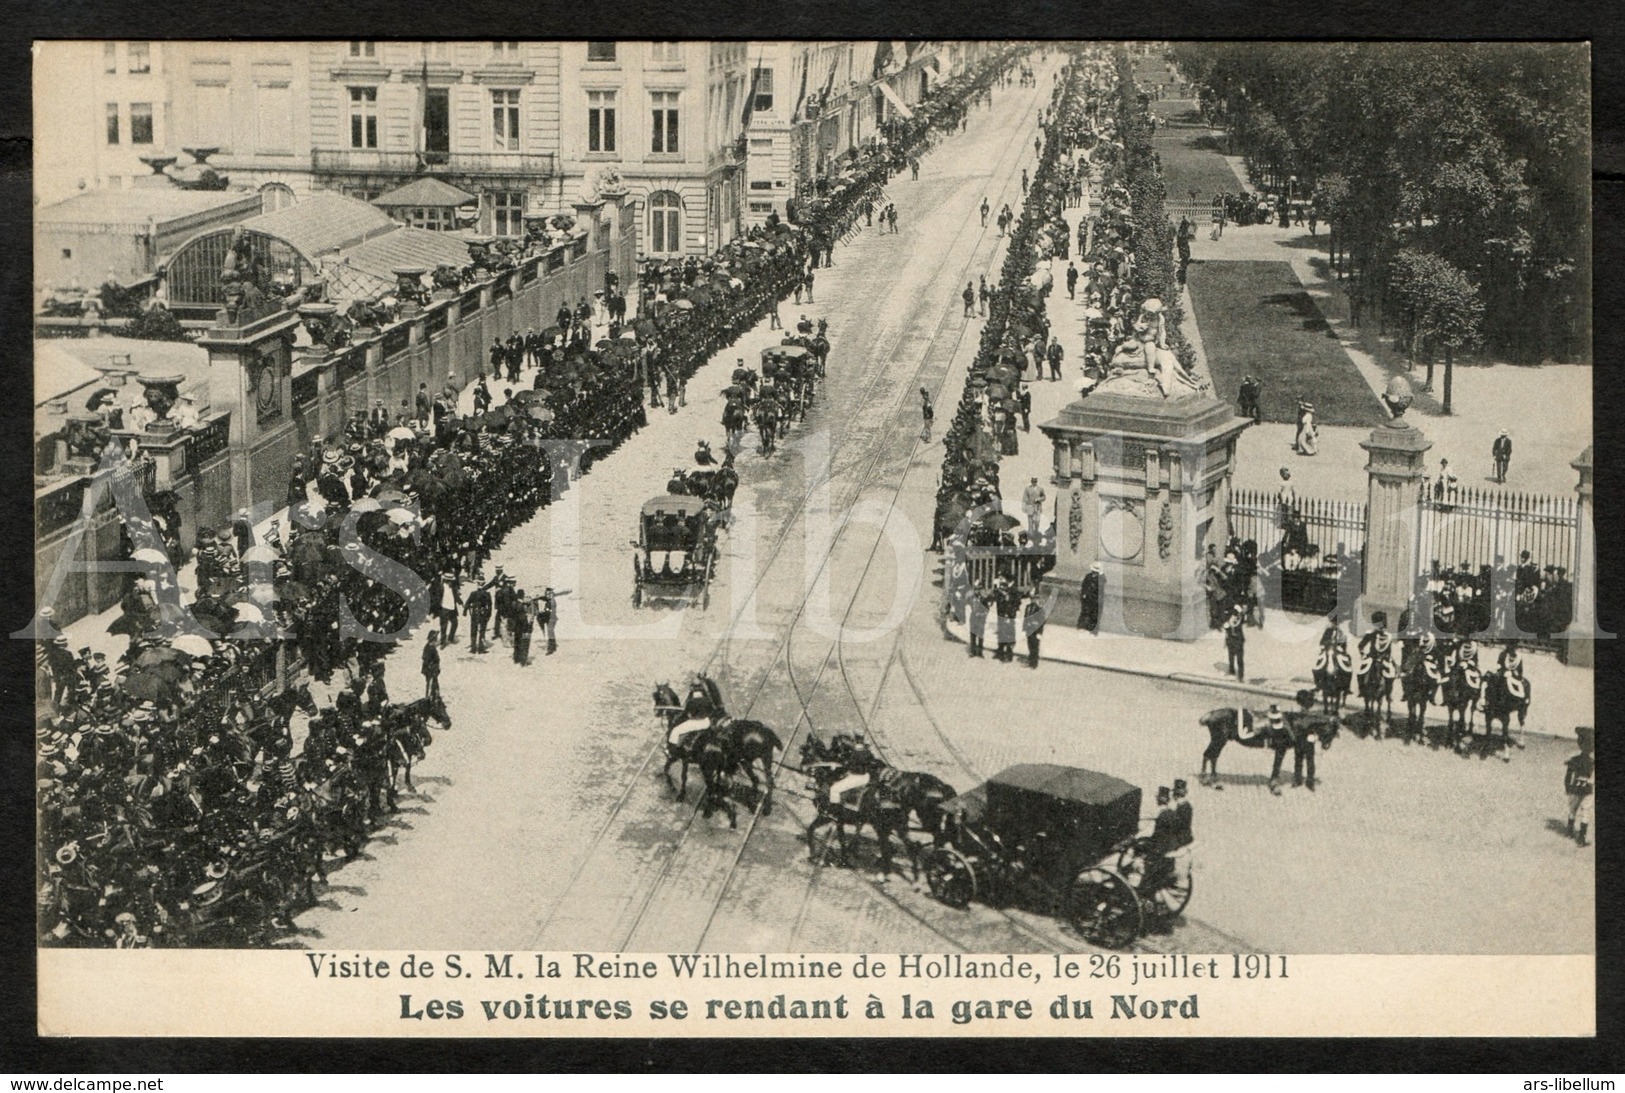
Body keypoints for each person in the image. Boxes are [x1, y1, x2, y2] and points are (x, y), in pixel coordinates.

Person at [1564, 727, 1593, 847]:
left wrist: (1567, 788)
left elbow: (1568, 776)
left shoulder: (1574, 760)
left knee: (1572, 809)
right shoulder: (1592, 762)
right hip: (1587, 788)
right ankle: (1581, 838)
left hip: (1574, 788)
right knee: (1586, 811)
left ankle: (1570, 831)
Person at [464, 580, 492, 654]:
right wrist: (489, 614)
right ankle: (481, 648)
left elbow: (467, 602)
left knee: (473, 630)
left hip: (474, 613)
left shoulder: (473, 593)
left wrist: (465, 611)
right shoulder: (487, 594)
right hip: (483, 614)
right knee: (482, 631)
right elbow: (489, 605)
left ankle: (473, 648)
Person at [1022, 587, 1046, 669]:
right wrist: (1024, 629)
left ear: (1037, 599)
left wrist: (1040, 633)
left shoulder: (1039, 609)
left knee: (1035, 647)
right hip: (1029, 630)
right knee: (1029, 645)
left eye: (1034, 598)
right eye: (1031, 598)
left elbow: (1042, 622)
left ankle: (1034, 663)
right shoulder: (1028, 607)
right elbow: (1025, 618)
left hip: (1036, 631)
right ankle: (1030, 661)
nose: (1033, 600)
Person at [1223, 603, 1247, 680]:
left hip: (1238, 640)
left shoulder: (1240, 619)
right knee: (1231, 657)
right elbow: (1226, 627)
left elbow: (1243, 618)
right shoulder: (1229, 619)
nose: (1235, 616)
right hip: (1231, 640)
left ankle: (1240, 675)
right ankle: (1232, 671)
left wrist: (1240, 611)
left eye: (1236, 613)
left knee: (1239, 659)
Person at [1078, 562, 1103, 633]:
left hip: (1094, 598)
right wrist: (1083, 594)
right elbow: (1084, 586)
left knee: (1093, 613)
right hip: (1087, 597)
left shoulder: (1100, 579)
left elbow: (1100, 590)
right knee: (1085, 611)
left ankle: (1091, 627)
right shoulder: (1088, 576)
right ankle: (1082, 626)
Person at [967, 587, 989, 658]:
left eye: (978, 590)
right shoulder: (971, 598)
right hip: (973, 618)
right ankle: (972, 651)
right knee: (973, 636)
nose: (976, 591)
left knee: (980, 636)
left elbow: (987, 609)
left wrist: (982, 615)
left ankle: (979, 652)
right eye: (975, 590)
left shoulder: (983, 599)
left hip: (980, 619)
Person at [422, 633, 441, 700]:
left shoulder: (430, 647)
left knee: (434, 684)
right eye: (435, 640)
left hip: (432, 671)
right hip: (430, 671)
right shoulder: (429, 649)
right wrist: (432, 668)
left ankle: (435, 697)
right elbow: (426, 660)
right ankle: (430, 699)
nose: (437, 641)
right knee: (431, 685)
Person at [541, 587, 559, 655]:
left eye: (549, 594)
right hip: (551, 619)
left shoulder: (551, 602)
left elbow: (549, 611)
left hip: (551, 619)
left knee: (550, 633)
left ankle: (551, 649)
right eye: (546, 594)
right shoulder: (551, 600)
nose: (547, 595)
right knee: (551, 633)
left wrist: (544, 611)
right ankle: (553, 647)